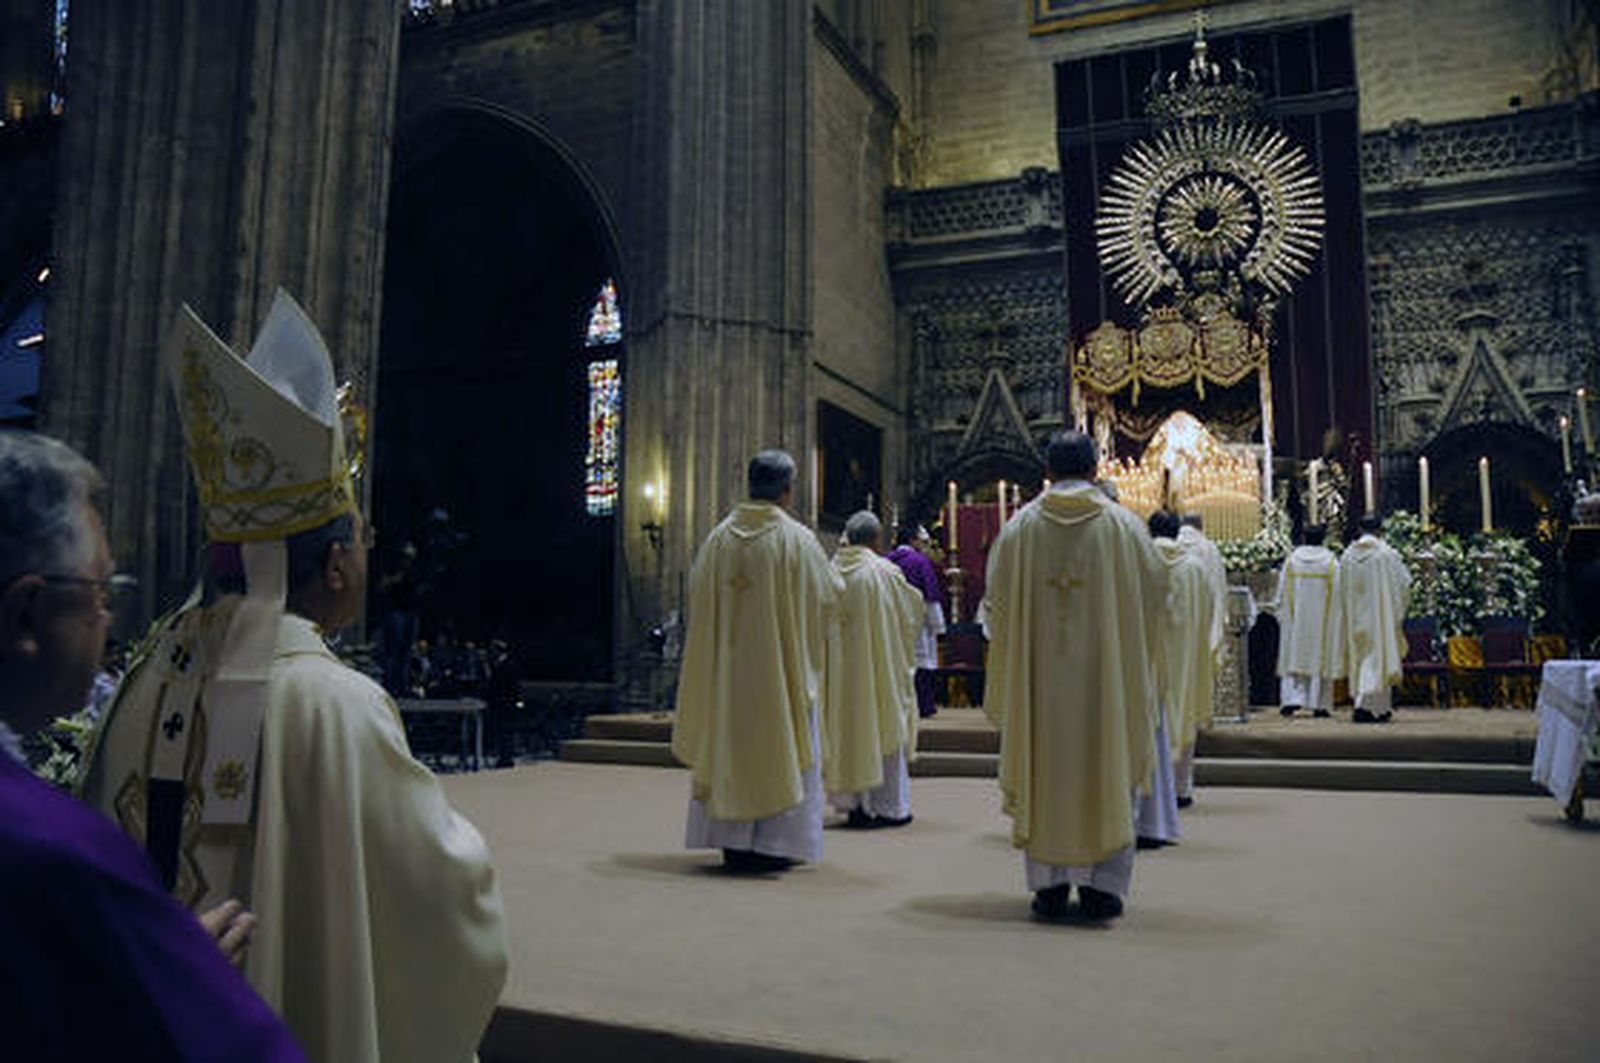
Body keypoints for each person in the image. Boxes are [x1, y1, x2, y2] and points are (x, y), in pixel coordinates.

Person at [81, 292, 507, 1062]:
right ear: (339, 563)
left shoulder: (144, 676)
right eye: (363, 539)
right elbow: (443, 905)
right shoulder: (334, 703)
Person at [0, 429, 305, 1060]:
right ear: (27, 614)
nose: (109, 618)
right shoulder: (55, 852)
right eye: (100, 591)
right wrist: (159, 976)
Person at [983, 431, 1165, 923]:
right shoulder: (1125, 528)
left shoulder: (1020, 530)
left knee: (1046, 769)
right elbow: (1155, 598)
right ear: (1093, 471)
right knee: (1105, 761)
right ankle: (1103, 889)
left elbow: (995, 606)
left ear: (1048, 471)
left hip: (1040, 686)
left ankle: (1049, 886)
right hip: (1107, 681)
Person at [672, 449, 842, 873]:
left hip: (729, 681)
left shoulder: (718, 539)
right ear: (788, 489)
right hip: (779, 678)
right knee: (781, 744)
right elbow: (829, 597)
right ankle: (774, 843)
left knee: (730, 742)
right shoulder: (798, 540)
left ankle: (732, 841)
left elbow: (698, 597)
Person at [824, 511, 923, 829]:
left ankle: (853, 804)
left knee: (846, 731)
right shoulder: (884, 572)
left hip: (839, 676)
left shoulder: (829, 570)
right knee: (881, 727)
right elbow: (911, 612)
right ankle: (888, 807)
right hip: (879, 672)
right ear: (877, 539)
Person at [1137, 510, 1214, 847]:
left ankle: (1149, 799)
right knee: (1182, 711)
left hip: (1148, 656)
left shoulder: (1139, 561)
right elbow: (1209, 607)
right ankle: (1181, 789)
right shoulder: (1195, 567)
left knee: (1150, 721)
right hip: (1184, 655)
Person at [1339, 515, 1412, 723]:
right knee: (1378, 659)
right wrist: (1396, 610)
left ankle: (1379, 707)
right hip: (1379, 616)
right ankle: (1364, 706)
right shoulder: (1386, 554)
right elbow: (1403, 584)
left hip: (1355, 616)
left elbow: (1340, 588)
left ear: (1360, 529)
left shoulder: (1347, 555)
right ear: (1380, 530)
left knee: (1362, 659)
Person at [1176, 513, 1228, 804]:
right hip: (1197, 634)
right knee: (1189, 701)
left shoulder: (1154, 554)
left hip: (1163, 643)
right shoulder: (1207, 551)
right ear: (1201, 527)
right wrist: (1214, 630)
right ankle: (1183, 786)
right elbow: (1216, 593)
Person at [1275, 524, 1344, 718]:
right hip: (1322, 623)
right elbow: (1339, 595)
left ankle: (1291, 700)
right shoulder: (1330, 563)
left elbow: (1281, 593)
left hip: (1295, 623)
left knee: (1293, 652)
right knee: (1320, 654)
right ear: (1323, 539)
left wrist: (1283, 613)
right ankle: (1319, 703)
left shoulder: (1292, 561)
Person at [886, 523, 946, 718]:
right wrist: (938, 626)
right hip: (917, 622)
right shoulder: (920, 562)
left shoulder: (886, 560)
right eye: (921, 541)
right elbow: (929, 595)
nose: (924, 544)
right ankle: (923, 706)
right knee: (922, 661)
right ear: (912, 540)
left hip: (892, 621)